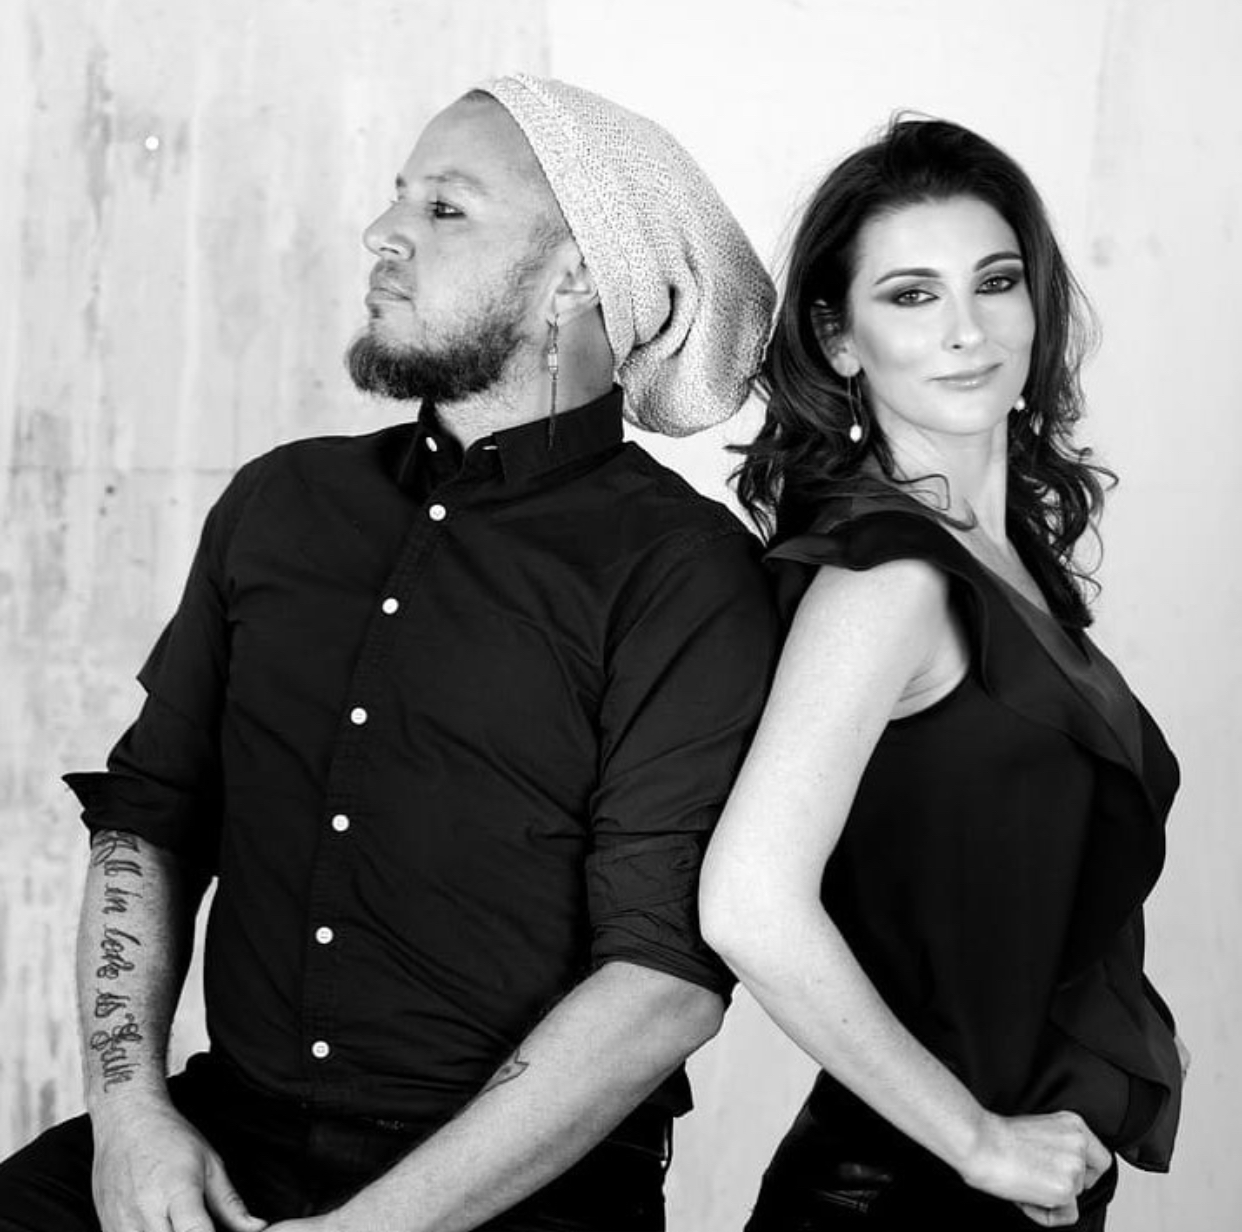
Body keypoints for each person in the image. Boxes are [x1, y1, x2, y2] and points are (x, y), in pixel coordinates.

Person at [0, 74, 779, 1232]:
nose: (382, 231)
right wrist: (130, 1116)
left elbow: (662, 980)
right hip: (222, 1133)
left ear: (575, 274)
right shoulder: (279, 503)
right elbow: (149, 817)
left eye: (445, 208)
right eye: (398, 195)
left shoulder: (683, 572)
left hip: (523, 1187)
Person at [698, 117, 1184, 1231]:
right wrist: (978, 1139)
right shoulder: (890, 580)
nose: (968, 329)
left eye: (996, 281)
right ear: (840, 339)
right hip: (903, 1196)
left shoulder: (999, 561)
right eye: (912, 295)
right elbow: (748, 903)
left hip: (1015, 1187)